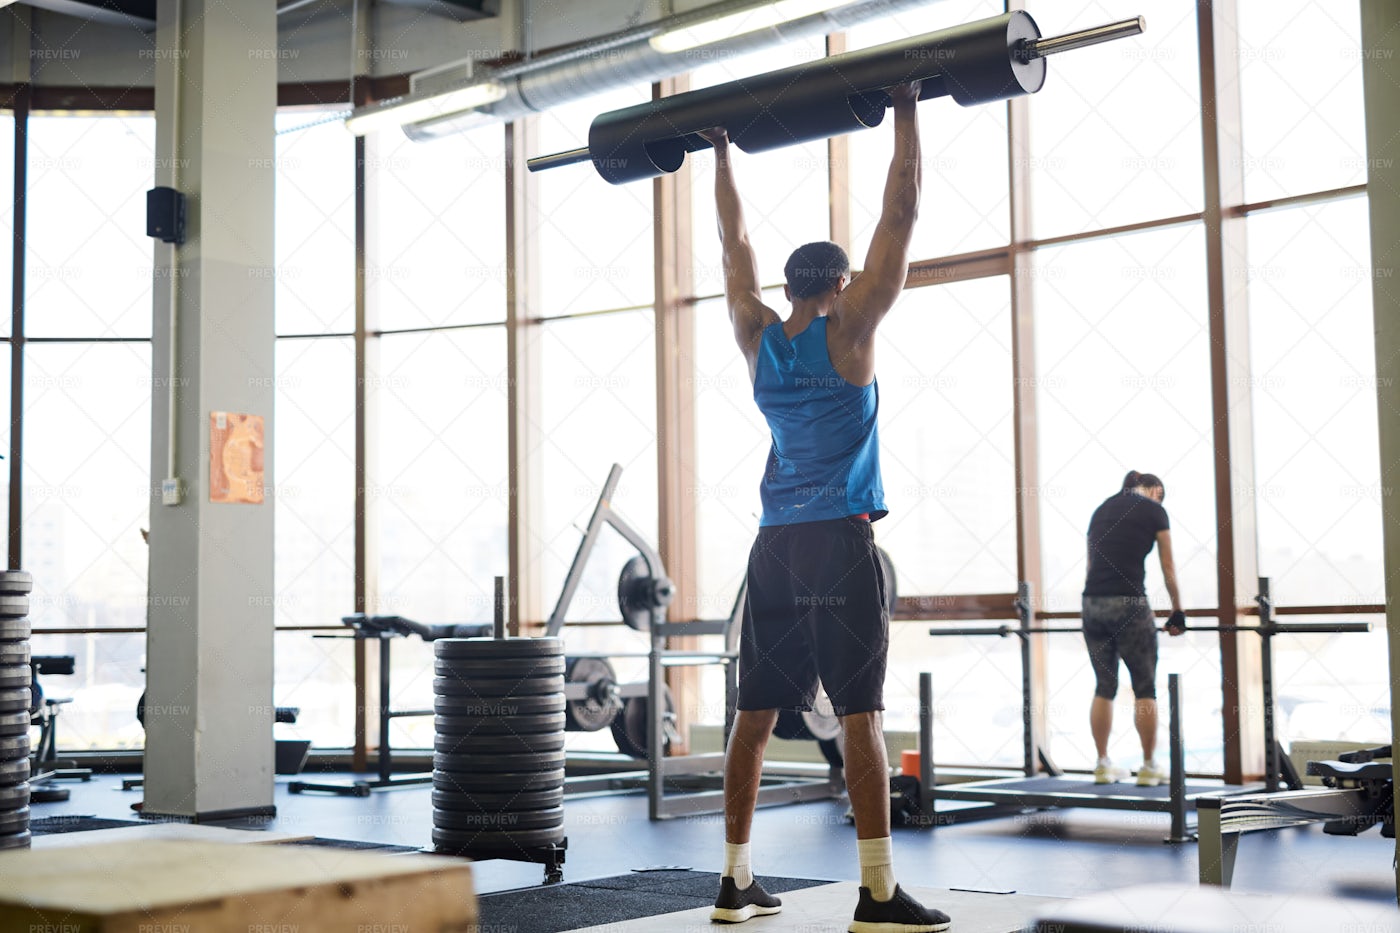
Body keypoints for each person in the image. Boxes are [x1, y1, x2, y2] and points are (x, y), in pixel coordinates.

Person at [700, 82, 949, 933]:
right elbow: (903, 209)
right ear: (841, 283)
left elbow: (731, 240)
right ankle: (877, 894)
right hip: (840, 544)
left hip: (772, 547)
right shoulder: (855, 331)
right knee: (861, 717)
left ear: (789, 284)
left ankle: (734, 882)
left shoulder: (755, 332)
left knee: (754, 715)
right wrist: (908, 106)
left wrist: (721, 148)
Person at [1082, 470, 1187, 787]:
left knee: (1104, 686)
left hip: (1092, 604)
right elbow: (1167, 565)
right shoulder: (1155, 510)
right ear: (1155, 490)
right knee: (1144, 687)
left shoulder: (1101, 509)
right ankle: (1148, 766)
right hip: (1129, 603)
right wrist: (1177, 611)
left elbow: (1090, 565)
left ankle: (1102, 764)